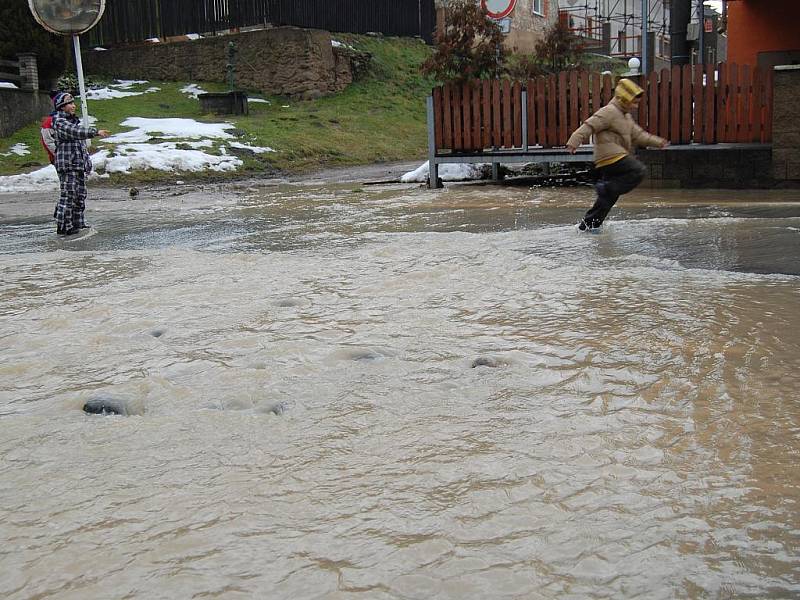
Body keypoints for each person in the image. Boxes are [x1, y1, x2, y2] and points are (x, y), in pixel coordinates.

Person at [566, 78, 669, 231]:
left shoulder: (625, 116)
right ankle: (607, 188)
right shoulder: (609, 111)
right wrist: (574, 141)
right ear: (623, 99)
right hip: (611, 156)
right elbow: (590, 124)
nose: (635, 106)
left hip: (613, 159)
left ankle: (588, 226)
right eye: (633, 102)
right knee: (638, 170)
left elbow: (639, 135)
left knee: (606, 201)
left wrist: (658, 142)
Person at [50, 91, 110, 236]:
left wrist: (87, 163)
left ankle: (78, 223)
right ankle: (64, 225)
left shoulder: (73, 121)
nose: (73, 106)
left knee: (80, 195)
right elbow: (76, 132)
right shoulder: (59, 121)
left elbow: (81, 146)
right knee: (69, 195)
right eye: (69, 104)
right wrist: (95, 132)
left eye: (72, 103)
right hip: (67, 165)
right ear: (61, 107)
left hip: (78, 165)